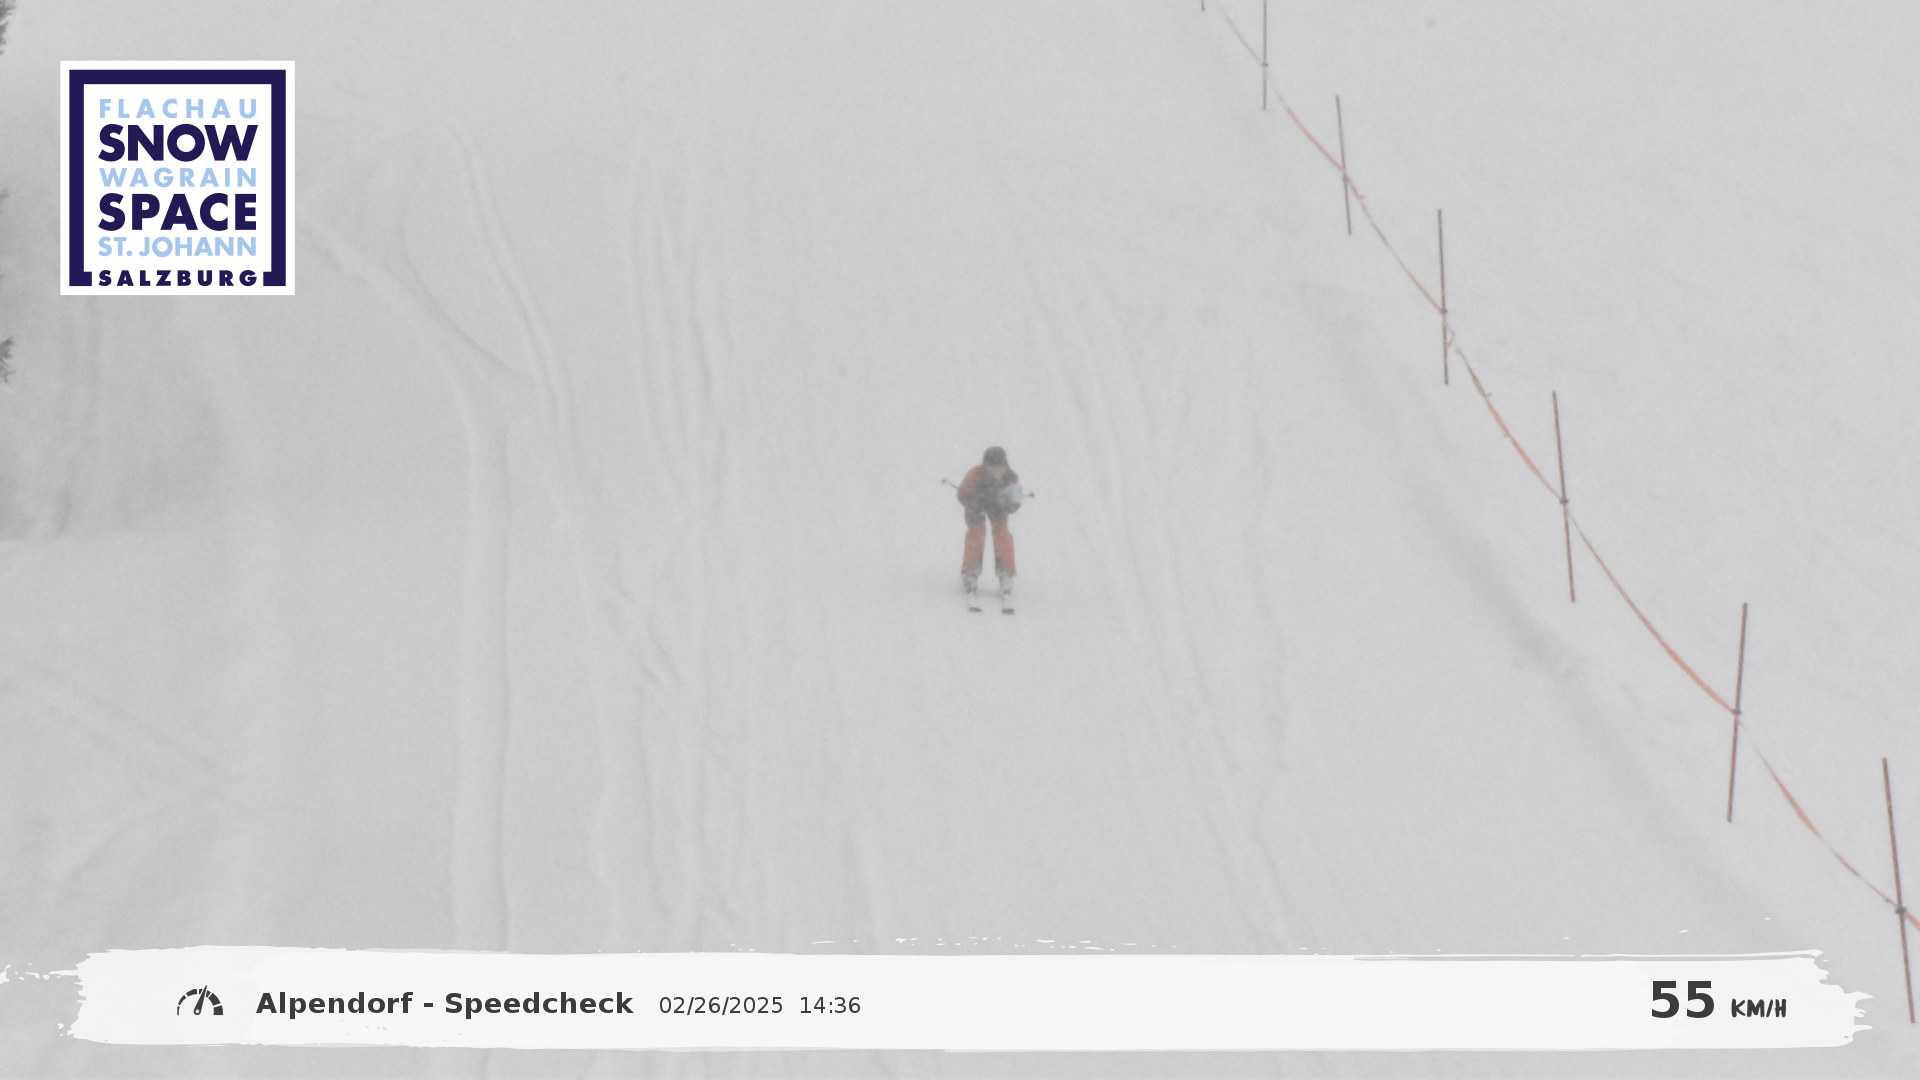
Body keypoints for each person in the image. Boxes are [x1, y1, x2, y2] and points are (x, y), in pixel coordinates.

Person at [956, 446, 1023, 598]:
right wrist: (973, 503)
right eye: (991, 467)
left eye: (999, 467)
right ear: (984, 465)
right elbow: (962, 494)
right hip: (975, 508)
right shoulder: (974, 474)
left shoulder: (1010, 478)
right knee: (976, 533)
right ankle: (970, 570)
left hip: (998, 509)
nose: (995, 471)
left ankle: (1005, 571)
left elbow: (1015, 501)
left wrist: (1006, 504)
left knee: (1002, 535)